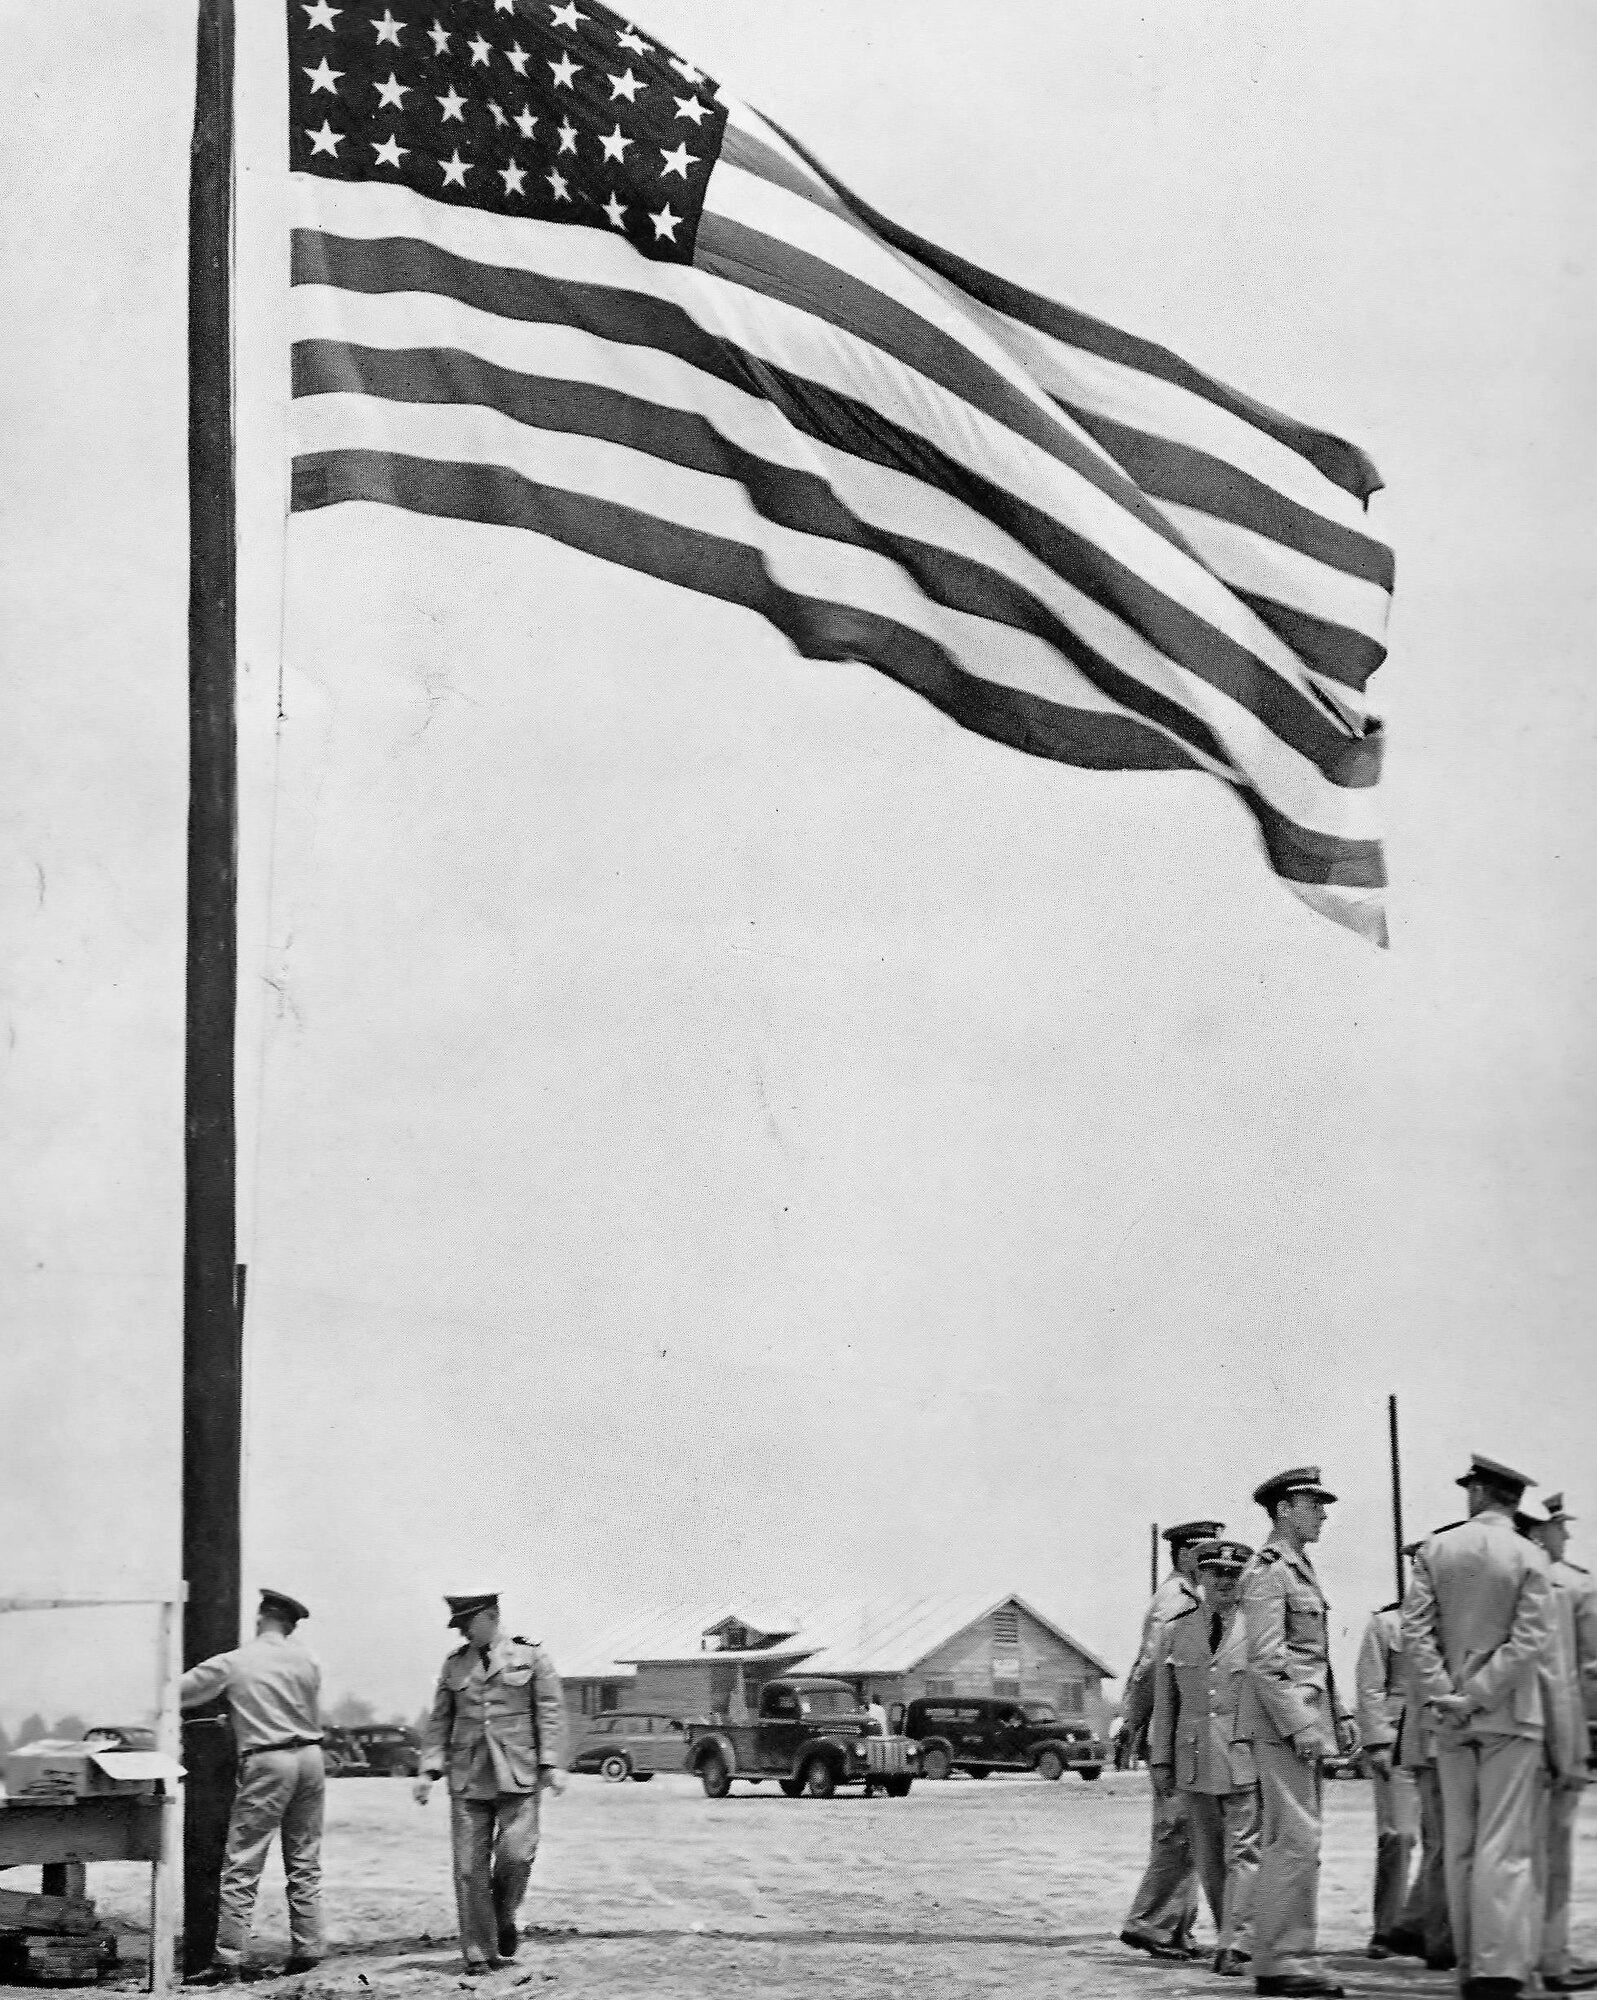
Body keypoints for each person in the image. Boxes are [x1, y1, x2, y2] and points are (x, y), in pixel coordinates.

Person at [1403, 1452, 1568, 2000]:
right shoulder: (1529, 1555)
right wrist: (1479, 1694)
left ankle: (1470, 1962)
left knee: (1461, 1842)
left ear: (1476, 1493)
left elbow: (1415, 1633)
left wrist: (1447, 1694)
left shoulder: (1434, 1549)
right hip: (1509, 1715)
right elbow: (1531, 1641)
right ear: (1513, 1499)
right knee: (1505, 1843)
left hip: (1447, 1718)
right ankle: (1496, 1971)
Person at [1238, 1466, 1357, 2000]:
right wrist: (1302, 1725)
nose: (1323, 1514)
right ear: (1284, 1509)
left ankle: (1281, 1956)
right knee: (1296, 1840)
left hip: (1302, 1721)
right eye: (1313, 1504)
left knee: (1294, 1839)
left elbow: (1315, 1658)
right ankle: (1283, 1962)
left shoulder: (1298, 1568)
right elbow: (1265, 1661)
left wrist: (1341, 1716)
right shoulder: (1269, 1571)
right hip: (1285, 1725)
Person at [414, 1592, 568, 1974]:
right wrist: (428, 1769)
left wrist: (552, 1764)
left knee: (517, 1856)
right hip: (468, 1777)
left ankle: (501, 1919)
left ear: (490, 1616)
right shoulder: (455, 1665)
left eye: (468, 1623)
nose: (463, 1632)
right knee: (469, 1869)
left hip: (517, 1772)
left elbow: (550, 1713)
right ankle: (479, 1953)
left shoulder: (531, 1657)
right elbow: (439, 1722)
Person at [179, 1588, 325, 1983]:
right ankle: (308, 1948)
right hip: (311, 1757)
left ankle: (227, 1959)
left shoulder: (236, 1661)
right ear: (291, 1625)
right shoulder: (308, 1658)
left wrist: (231, 1711)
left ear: (261, 1617)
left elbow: (177, 1692)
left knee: (243, 1860)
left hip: (268, 1760)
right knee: (305, 1859)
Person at [1149, 1537, 1260, 1978]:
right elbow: (1165, 1702)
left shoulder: (1259, 1628)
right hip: (1192, 1759)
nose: (1225, 1582)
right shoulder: (1176, 1630)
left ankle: (1236, 1944)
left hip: (1244, 1754)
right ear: (1200, 1577)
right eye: (1215, 1573)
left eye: (1234, 1574)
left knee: (1244, 1851)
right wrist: (1160, 1760)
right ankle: (1227, 1931)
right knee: (1211, 1859)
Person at [1118, 1516, 1224, 1962]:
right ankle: (1150, 1924)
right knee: (1178, 1828)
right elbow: (1149, 1670)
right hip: (1173, 1726)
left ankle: (1177, 1929)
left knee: (1189, 1828)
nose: (1211, 1563)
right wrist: (1133, 1723)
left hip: (1183, 1728)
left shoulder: (1187, 1597)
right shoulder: (1173, 1601)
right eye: (1202, 1554)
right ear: (1182, 1555)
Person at [1525, 1494, 1597, 1993]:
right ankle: (1551, 1958)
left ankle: (1519, 1956)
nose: (1565, 1537)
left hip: (1513, 1732)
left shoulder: (1508, 1578)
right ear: (1541, 1531)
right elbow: (1589, 1670)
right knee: (1554, 1851)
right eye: (1558, 1528)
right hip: (1565, 1732)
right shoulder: (1574, 1584)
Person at [1354, 1598, 1420, 1958]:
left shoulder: (1465, 1618)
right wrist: (1377, 1740)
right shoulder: (1388, 1623)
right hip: (1400, 1742)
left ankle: (1437, 1930)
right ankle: (1388, 1929)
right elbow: (1370, 1684)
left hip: (1450, 1740)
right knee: (1399, 1836)